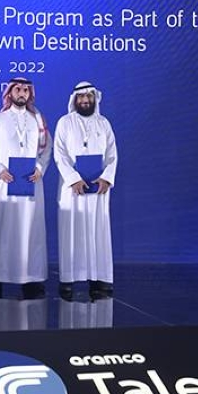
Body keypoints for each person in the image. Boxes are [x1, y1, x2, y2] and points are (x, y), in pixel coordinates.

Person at [0, 77, 51, 298]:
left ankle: (32, 279)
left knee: (31, 230)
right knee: (4, 229)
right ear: (10, 93)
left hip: (31, 183)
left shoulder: (38, 120)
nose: (22, 93)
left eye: (26, 90)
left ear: (30, 94)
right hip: (5, 184)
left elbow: (47, 149)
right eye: (18, 89)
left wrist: (40, 168)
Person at [54, 81, 117, 299]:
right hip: (73, 190)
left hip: (98, 189)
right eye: (81, 97)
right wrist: (73, 179)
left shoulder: (104, 123)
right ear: (75, 99)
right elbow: (59, 154)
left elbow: (112, 154)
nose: (85, 100)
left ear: (94, 99)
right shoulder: (65, 123)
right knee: (72, 232)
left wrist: (107, 178)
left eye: (89, 96)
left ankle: (101, 278)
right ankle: (69, 279)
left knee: (98, 230)